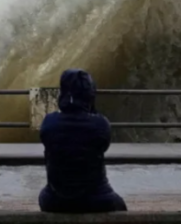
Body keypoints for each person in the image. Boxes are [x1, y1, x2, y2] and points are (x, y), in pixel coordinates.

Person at [38, 68, 127, 213]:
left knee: (43, 195)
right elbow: (103, 145)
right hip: (97, 199)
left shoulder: (48, 123)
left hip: (55, 200)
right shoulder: (101, 124)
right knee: (120, 205)